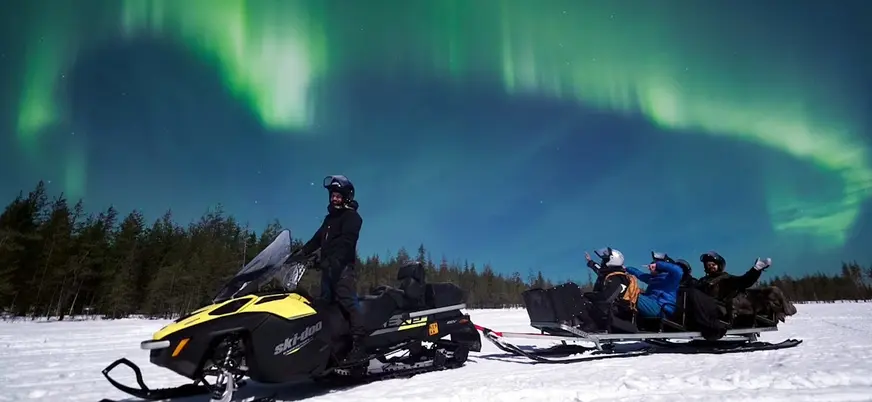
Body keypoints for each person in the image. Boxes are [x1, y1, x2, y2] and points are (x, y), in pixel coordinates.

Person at [294, 174, 366, 364]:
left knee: (347, 301)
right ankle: (328, 346)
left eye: (338, 196)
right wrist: (299, 254)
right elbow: (316, 240)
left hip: (342, 270)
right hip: (328, 270)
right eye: (332, 195)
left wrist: (333, 262)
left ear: (346, 197)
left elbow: (346, 244)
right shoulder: (329, 220)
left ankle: (360, 345)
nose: (334, 198)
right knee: (324, 305)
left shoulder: (351, 217)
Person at [581, 247, 641, 330]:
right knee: (580, 298)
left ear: (611, 261)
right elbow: (600, 270)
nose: (602, 263)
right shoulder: (611, 274)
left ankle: (590, 324)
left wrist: (588, 296)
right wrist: (591, 262)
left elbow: (607, 297)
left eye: (604, 260)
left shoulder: (618, 277)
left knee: (582, 300)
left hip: (615, 312)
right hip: (611, 310)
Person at [624, 251, 683, 318]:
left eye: (653, 266)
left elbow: (678, 271)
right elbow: (638, 273)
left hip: (661, 308)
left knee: (630, 292)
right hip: (651, 304)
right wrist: (625, 268)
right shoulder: (652, 278)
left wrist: (658, 265)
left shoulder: (671, 279)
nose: (650, 268)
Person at [695, 251, 771, 301]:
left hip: (719, 309)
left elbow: (744, 281)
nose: (711, 267)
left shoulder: (726, 278)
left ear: (719, 265)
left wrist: (756, 269)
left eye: (713, 264)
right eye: (708, 265)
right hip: (702, 310)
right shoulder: (702, 281)